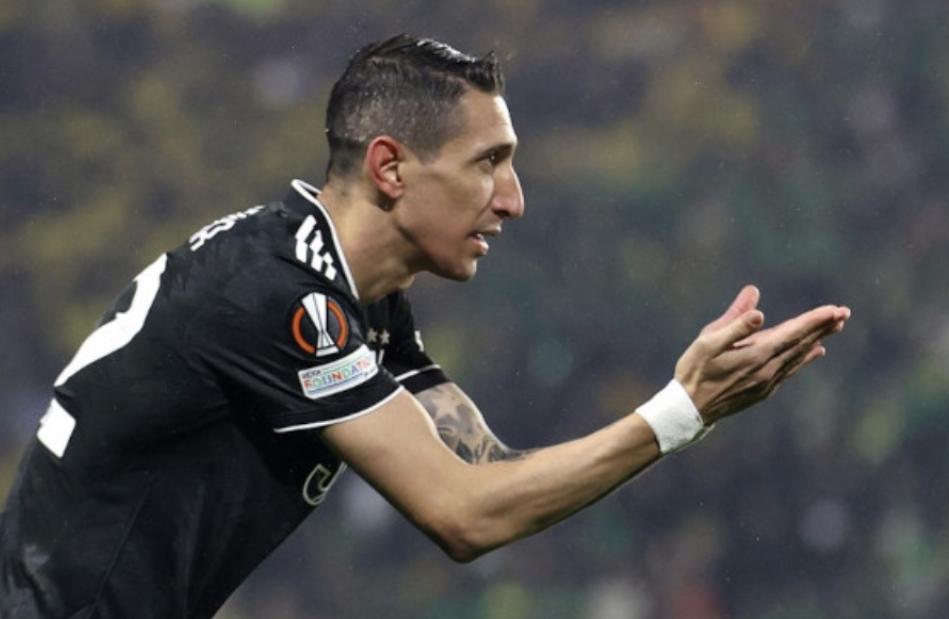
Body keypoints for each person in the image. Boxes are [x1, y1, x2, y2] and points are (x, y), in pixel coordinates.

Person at [0, 34, 850, 617]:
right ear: (390, 167)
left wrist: (685, 408)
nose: (514, 199)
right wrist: (681, 410)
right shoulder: (280, 296)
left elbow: (488, 474)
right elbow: (463, 516)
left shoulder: (348, 295)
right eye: (489, 163)